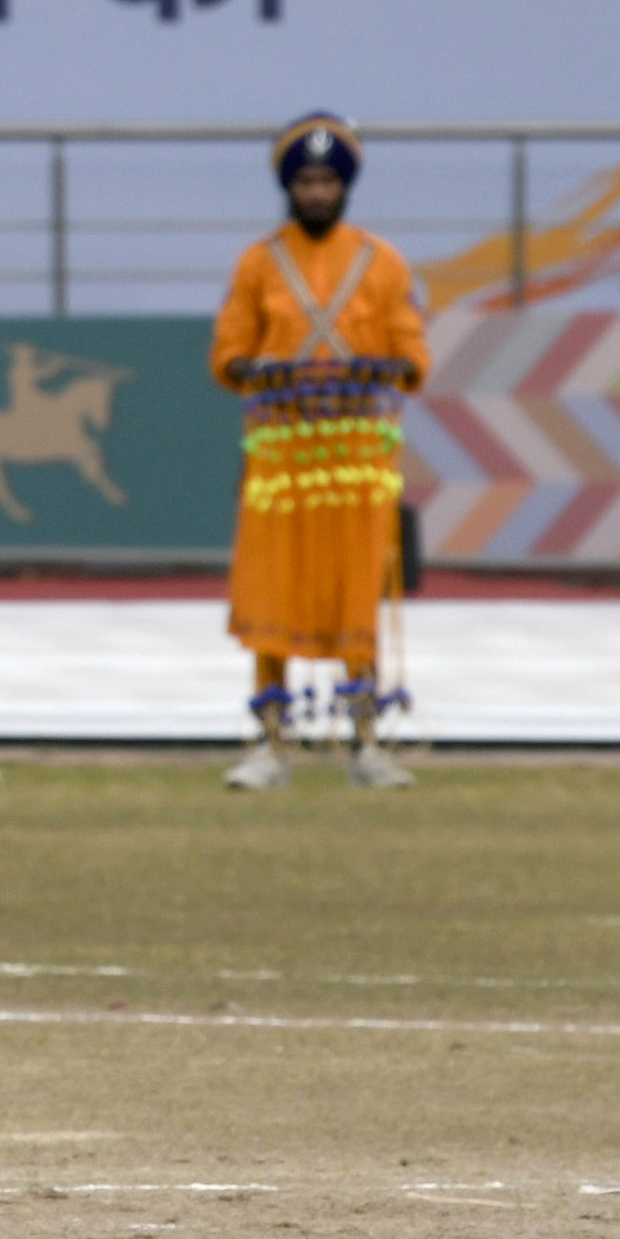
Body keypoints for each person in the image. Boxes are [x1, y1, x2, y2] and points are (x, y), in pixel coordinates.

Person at [210, 115, 428, 790]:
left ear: (346, 186)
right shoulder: (258, 262)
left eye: (328, 181)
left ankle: (365, 743)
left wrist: (384, 366)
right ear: (288, 185)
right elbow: (226, 353)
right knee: (271, 589)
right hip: (282, 455)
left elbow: (412, 352)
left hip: (356, 452)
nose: (316, 193)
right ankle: (271, 744)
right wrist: (254, 369)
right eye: (305, 180)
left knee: (355, 593)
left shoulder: (382, 261)